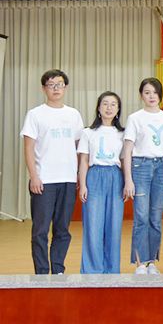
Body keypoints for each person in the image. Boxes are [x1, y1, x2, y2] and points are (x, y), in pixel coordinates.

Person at [20, 69, 84, 274]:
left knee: (62, 229)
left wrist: (78, 176)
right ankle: (41, 272)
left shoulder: (73, 114)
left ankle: (57, 270)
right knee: (40, 230)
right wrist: (34, 176)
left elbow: (78, 146)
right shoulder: (35, 114)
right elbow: (28, 147)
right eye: (51, 85)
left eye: (60, 84)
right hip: (44, 180)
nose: (56, 88)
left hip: (67, 179)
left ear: (65, 87)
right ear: (44, 88)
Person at [123, 78, 163, 274]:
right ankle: (140, 264)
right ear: (141, 95)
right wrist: (128, 179)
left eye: (155, 92)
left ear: (160, 95)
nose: (151, 96)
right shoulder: (135, 118)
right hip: (140, 167)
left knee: (155, 218)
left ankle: (152, 262)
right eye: (147, 92)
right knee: (141, 217)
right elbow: (127, 150)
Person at [77, 91, 125, 274]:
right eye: (105, 104)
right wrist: (83, 185)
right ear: (98, 108)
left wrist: (127, 182)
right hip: (95, 175)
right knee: (93, 224)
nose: (109, 108)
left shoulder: (123, 133)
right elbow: (83, 160)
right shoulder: (88, 132)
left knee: (114, 226)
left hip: (115, 176)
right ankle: (92, 270)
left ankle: (112, 270)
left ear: (118, 109)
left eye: (113, 104)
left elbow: (125, 160)